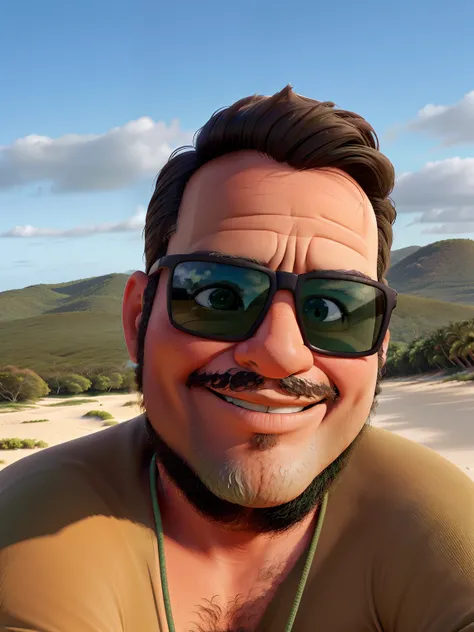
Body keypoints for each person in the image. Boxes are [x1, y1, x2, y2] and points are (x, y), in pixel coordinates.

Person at [0, 86, 473, 632]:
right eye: (218, 296)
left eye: (332, 308)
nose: (280, 352)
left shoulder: (441, 525)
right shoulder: (27, 530)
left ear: (381, 346)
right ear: (137, 321)